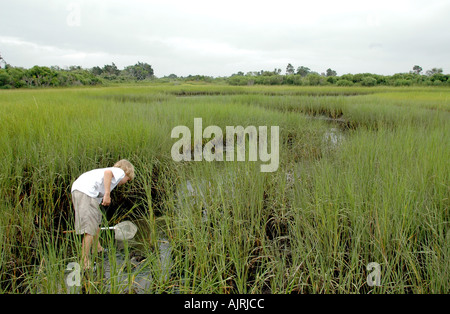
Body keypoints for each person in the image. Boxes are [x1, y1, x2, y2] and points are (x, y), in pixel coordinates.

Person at [71, 159, 135, 269]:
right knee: (89, 228)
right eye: (127, 180)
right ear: (127, 172)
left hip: (85, 193)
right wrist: (107, 194)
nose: (125, 182)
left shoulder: (107, 181)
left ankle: (98, 249)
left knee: (96, 222)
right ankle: (84, 261)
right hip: (84, 193)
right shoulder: (119, 172)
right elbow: (108, 174)